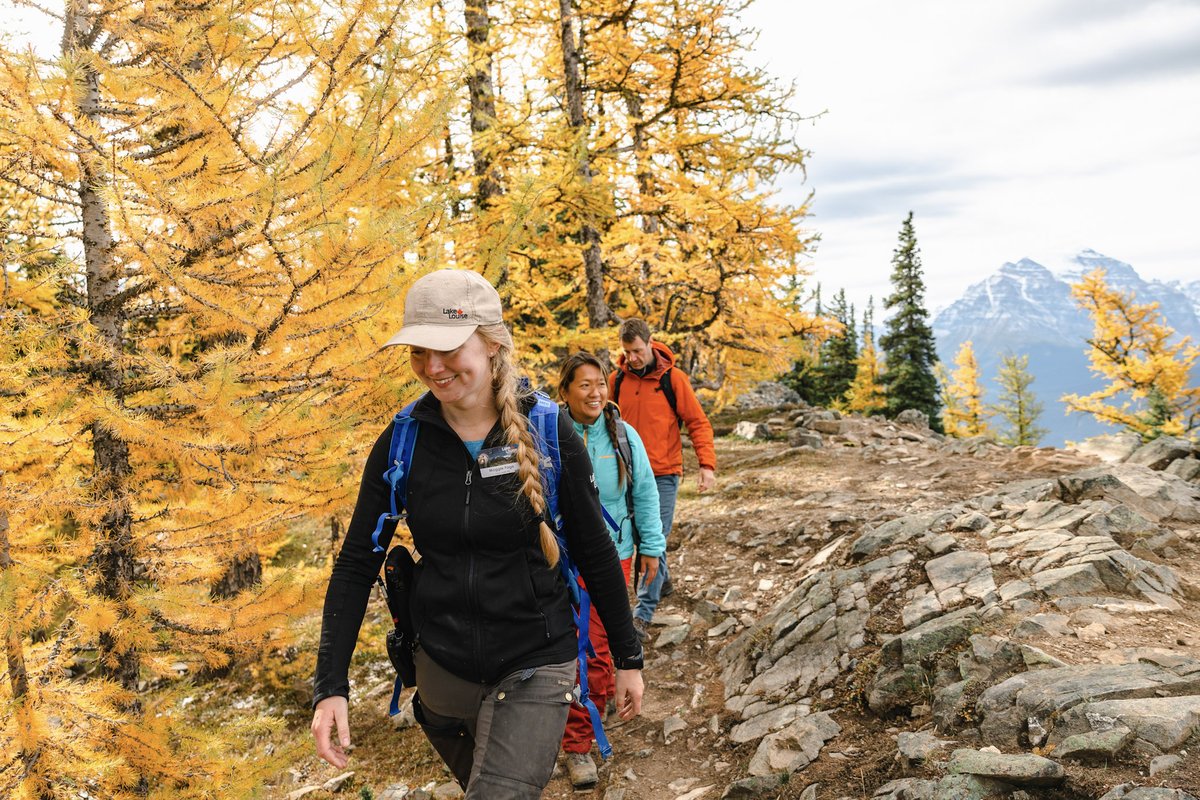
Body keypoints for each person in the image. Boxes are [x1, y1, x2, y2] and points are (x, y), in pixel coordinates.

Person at [311, 270, 644, 799]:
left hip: (536, 659)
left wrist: (628, 658)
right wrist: (330, 686)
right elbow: (356, 562)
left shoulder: (550, 431)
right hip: (443, 677)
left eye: (447, 349)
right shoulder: (403, 441)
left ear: (492, 345)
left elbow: (596, 553)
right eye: (419, 351)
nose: (432, 367)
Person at [555, 351, 666, 789]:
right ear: (564, 391)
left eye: (600, 383)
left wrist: (651, 546)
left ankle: (590, 712)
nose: (595, 392)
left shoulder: (622, 436)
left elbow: (644, 492)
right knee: (567, 652)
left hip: (613, 557)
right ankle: (578, 744)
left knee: (601, 649)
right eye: (584, 385)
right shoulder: (547, 434)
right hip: (559, 561)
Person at [609, 318, 717, 642]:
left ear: (650, 342)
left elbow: (698, 423)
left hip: (663, 473)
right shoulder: (616, 380)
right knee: (639, 538)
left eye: (638, 351)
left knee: (652, 537)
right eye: (627, 352)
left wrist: (706, 466)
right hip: (625, 473)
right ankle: (662, 579)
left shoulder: (673, 379)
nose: (633, 358)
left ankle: (642, 614)